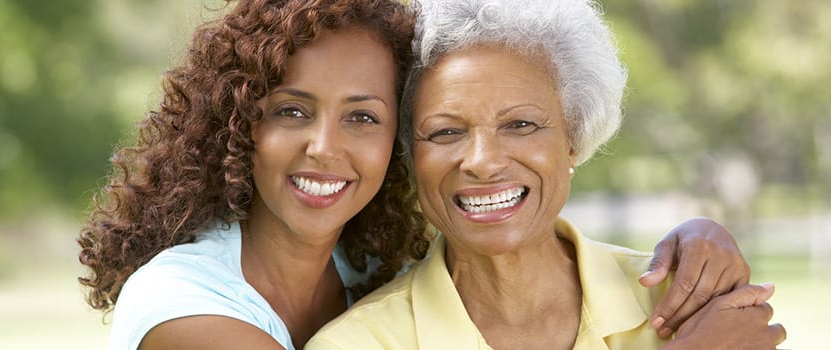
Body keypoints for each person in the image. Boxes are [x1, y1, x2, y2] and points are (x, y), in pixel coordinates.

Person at [78, 0, 756, 349]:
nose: (324, 148)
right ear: (239, 122)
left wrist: (700, 235)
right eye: (446, 131)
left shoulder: (366, 265)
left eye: (363, 117)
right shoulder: (185, 309)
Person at [306, 0, 786, 349]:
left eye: (520, 125)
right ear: (410, 156)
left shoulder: (688, 301)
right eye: (446, 131)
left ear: (573, 140)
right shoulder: (361, 343)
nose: (482, 161)